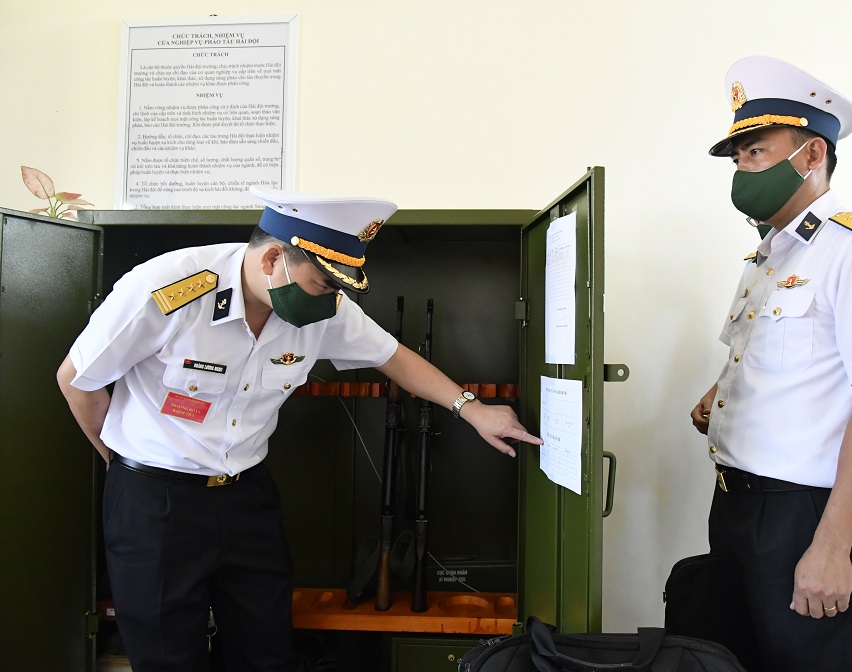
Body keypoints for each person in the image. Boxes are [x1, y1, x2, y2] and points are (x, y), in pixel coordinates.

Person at [56, 187, 542, 672]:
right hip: (154, 503)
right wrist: (121, 465)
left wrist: (472, 409)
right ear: (273, 259)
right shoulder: (167, 289)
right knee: (168, 657)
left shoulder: (320, 306)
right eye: (323, 284)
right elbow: (76, 380)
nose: (331, 300)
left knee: (265, 650)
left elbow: (393, 357)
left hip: (246, 496)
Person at [688, 56, 852, 671]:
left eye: (756, 152)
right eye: (737, 158)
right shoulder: (767, 257)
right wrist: (721, 395)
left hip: (806, 514)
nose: (743, 169)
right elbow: (784, 361)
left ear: (812, 153)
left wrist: (833, 545)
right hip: (736, 504)